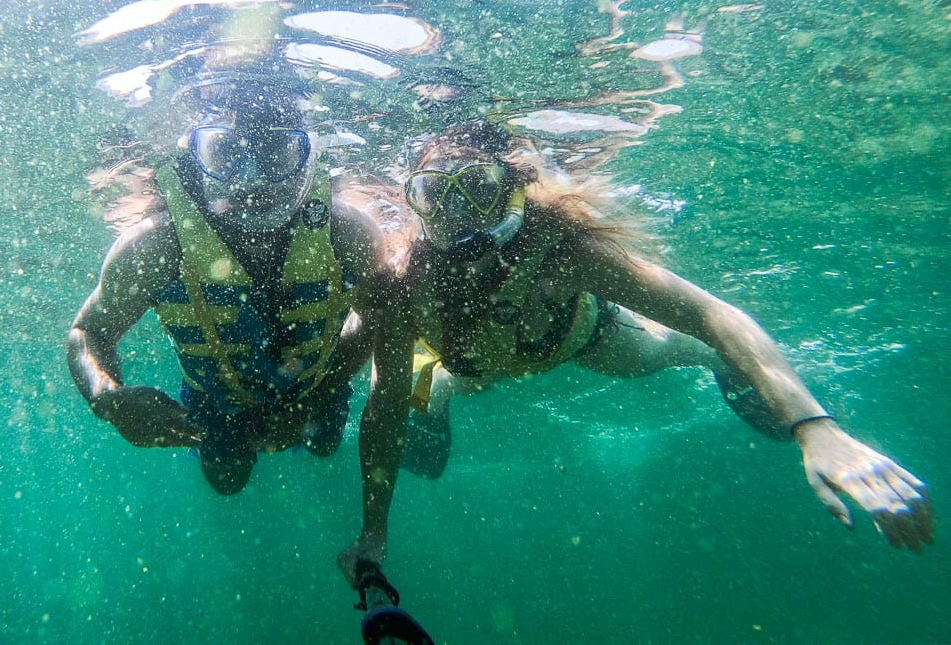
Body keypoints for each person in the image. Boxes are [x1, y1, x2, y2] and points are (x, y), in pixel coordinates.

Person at [394, 119, 932, 553]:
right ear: (414, 201)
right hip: (473, 364)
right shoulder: (404, 271)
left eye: (479, 190)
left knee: (672, 346)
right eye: (434, 194)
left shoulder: (561, 249)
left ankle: (716, 365)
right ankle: (436, 397)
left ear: (512, 190)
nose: (456, 214)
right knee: (432, 385)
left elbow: (712, 314)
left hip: (580, 339)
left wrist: (815, 427)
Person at [66, 78, 413, 581]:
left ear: (310, 155)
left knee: (323, 442)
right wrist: (105, 395)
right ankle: (243, 443)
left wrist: (321, 391)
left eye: (275, 156)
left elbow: (378, 333)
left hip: (315, 385)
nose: (251, 181)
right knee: (226, 477)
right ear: (197, 157)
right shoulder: (155, 246)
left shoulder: (350, 232)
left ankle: (307, 424)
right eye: (227, 155)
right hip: (215, 400)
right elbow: (88, 332)